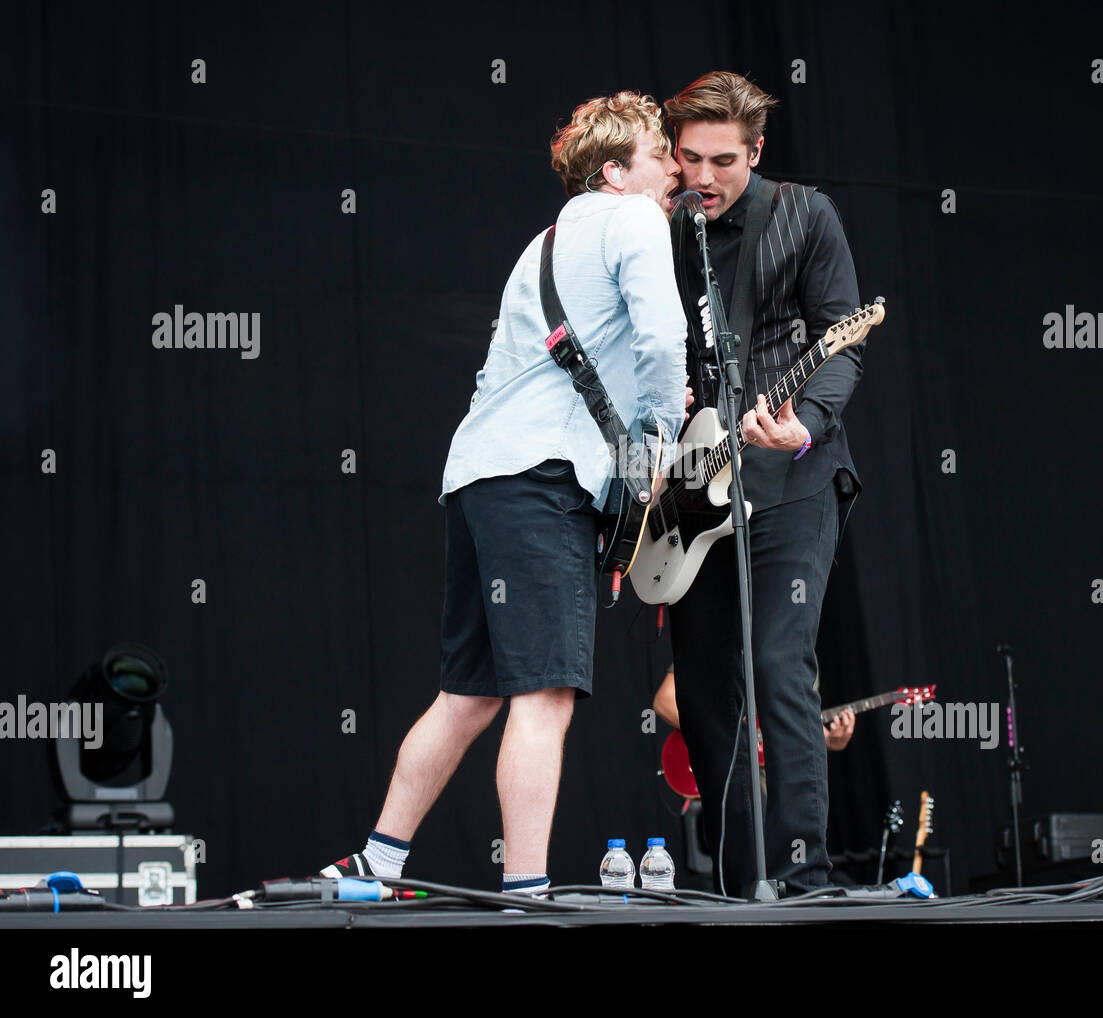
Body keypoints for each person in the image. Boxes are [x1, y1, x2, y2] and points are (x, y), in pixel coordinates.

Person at [322, 91, 688, 897]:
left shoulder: (543, 245)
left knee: (467, 694)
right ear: (615, 170)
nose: (676, 171)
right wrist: (659, 440)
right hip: (542, 477)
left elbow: (497, 373)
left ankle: (377, 862)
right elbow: (664, 339)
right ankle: (525, 891)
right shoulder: (634, 220)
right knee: (546, 695)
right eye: (662, 156)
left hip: (482, 473)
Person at [660, 71, 870, 895]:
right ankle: (735, 882)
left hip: (792, 475)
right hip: (692, 490)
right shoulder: (662, 229)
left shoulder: (805, 215)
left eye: (722, 160)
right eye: (688, 160)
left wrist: (806, 421)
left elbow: (842, 339)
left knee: (781, 661)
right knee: (708, 687)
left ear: (755, 150)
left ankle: (805, 874)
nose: (704, 178)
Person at [653, 664, 857, 751]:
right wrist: (729, 735)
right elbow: (665, 701)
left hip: (787, 783)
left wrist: (830, 740)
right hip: (739, 778)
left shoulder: (802, 648)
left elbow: (798, 718)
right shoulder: (727, 639)